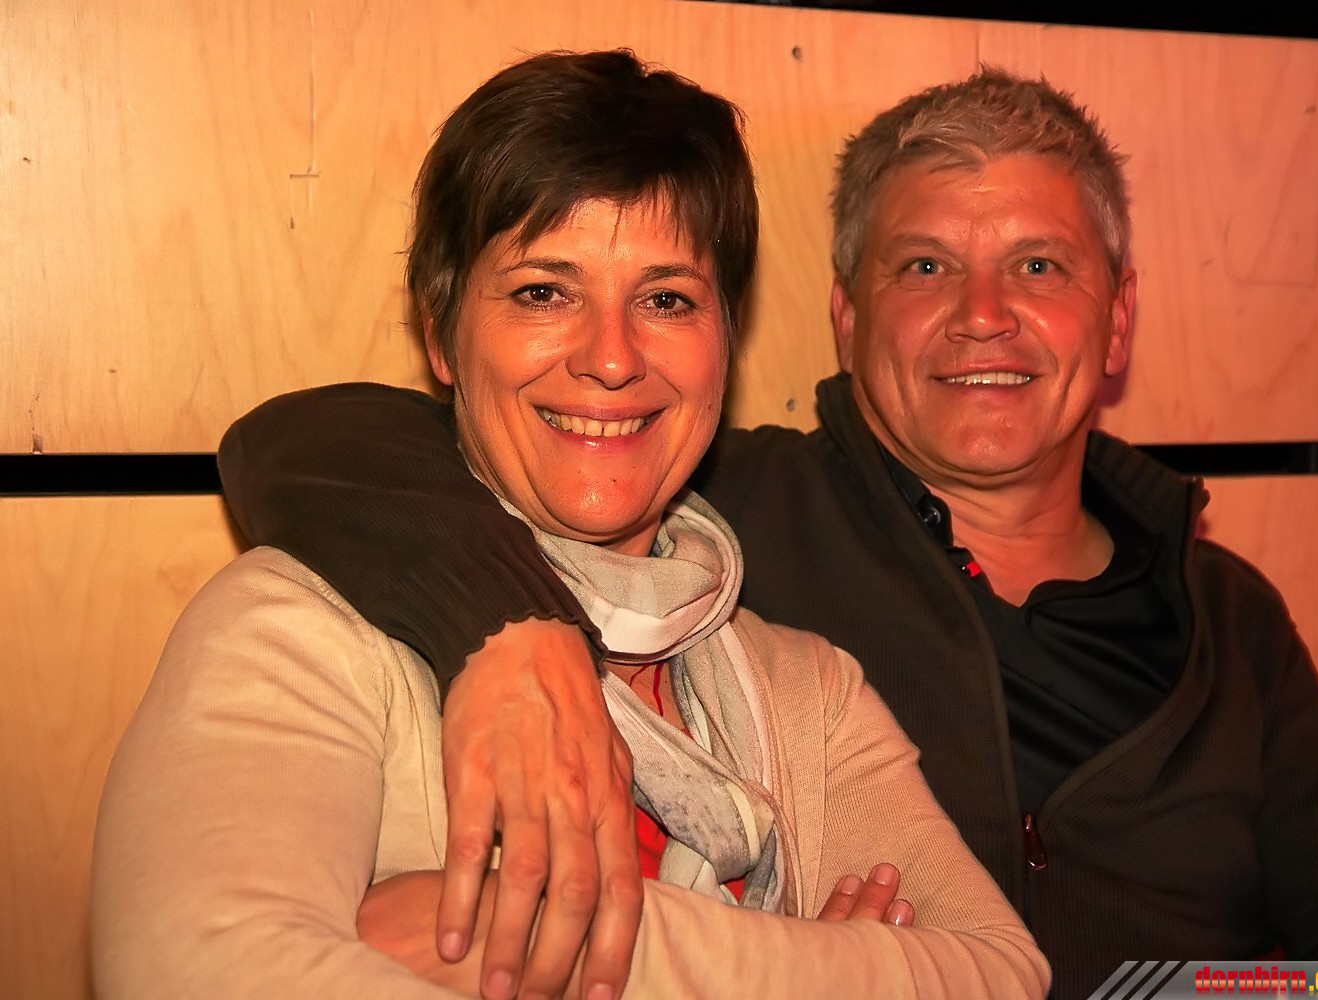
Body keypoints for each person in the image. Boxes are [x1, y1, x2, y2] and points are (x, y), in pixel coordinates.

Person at [216, 66, 1318, 999]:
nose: (983, 315)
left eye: (1040, 266)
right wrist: (512, 625)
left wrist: (1200, 992)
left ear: (1119, 318)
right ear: (844, 314)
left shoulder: (1228, 614)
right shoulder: (705, 506)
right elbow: (311, 440)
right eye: (924, 267)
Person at [91, 50, 1049, 1000]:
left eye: (666, 299)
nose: (612, 357)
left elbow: (1002, 975)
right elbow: (198, 972)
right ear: (441, 332)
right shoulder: (295, 629)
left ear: (725, 339)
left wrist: (554, 939)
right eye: (543, 292)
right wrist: (817, 967)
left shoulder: (808, 692)